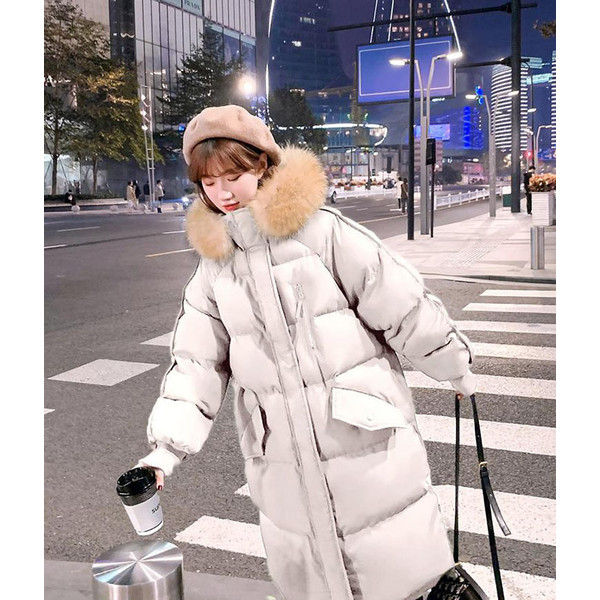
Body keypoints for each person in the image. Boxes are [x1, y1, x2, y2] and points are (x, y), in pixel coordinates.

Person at [134, 105, 476, 600]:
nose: (223, 193)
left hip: (362, 441)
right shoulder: (214, 270)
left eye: (233, 176)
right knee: (311, 577)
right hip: (282, 462)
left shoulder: (323, 233)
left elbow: (401, 304)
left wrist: (454, 366)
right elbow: (195, 364)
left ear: (262, 166)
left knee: (393, 568)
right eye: (209, 183)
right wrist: (165, 450)